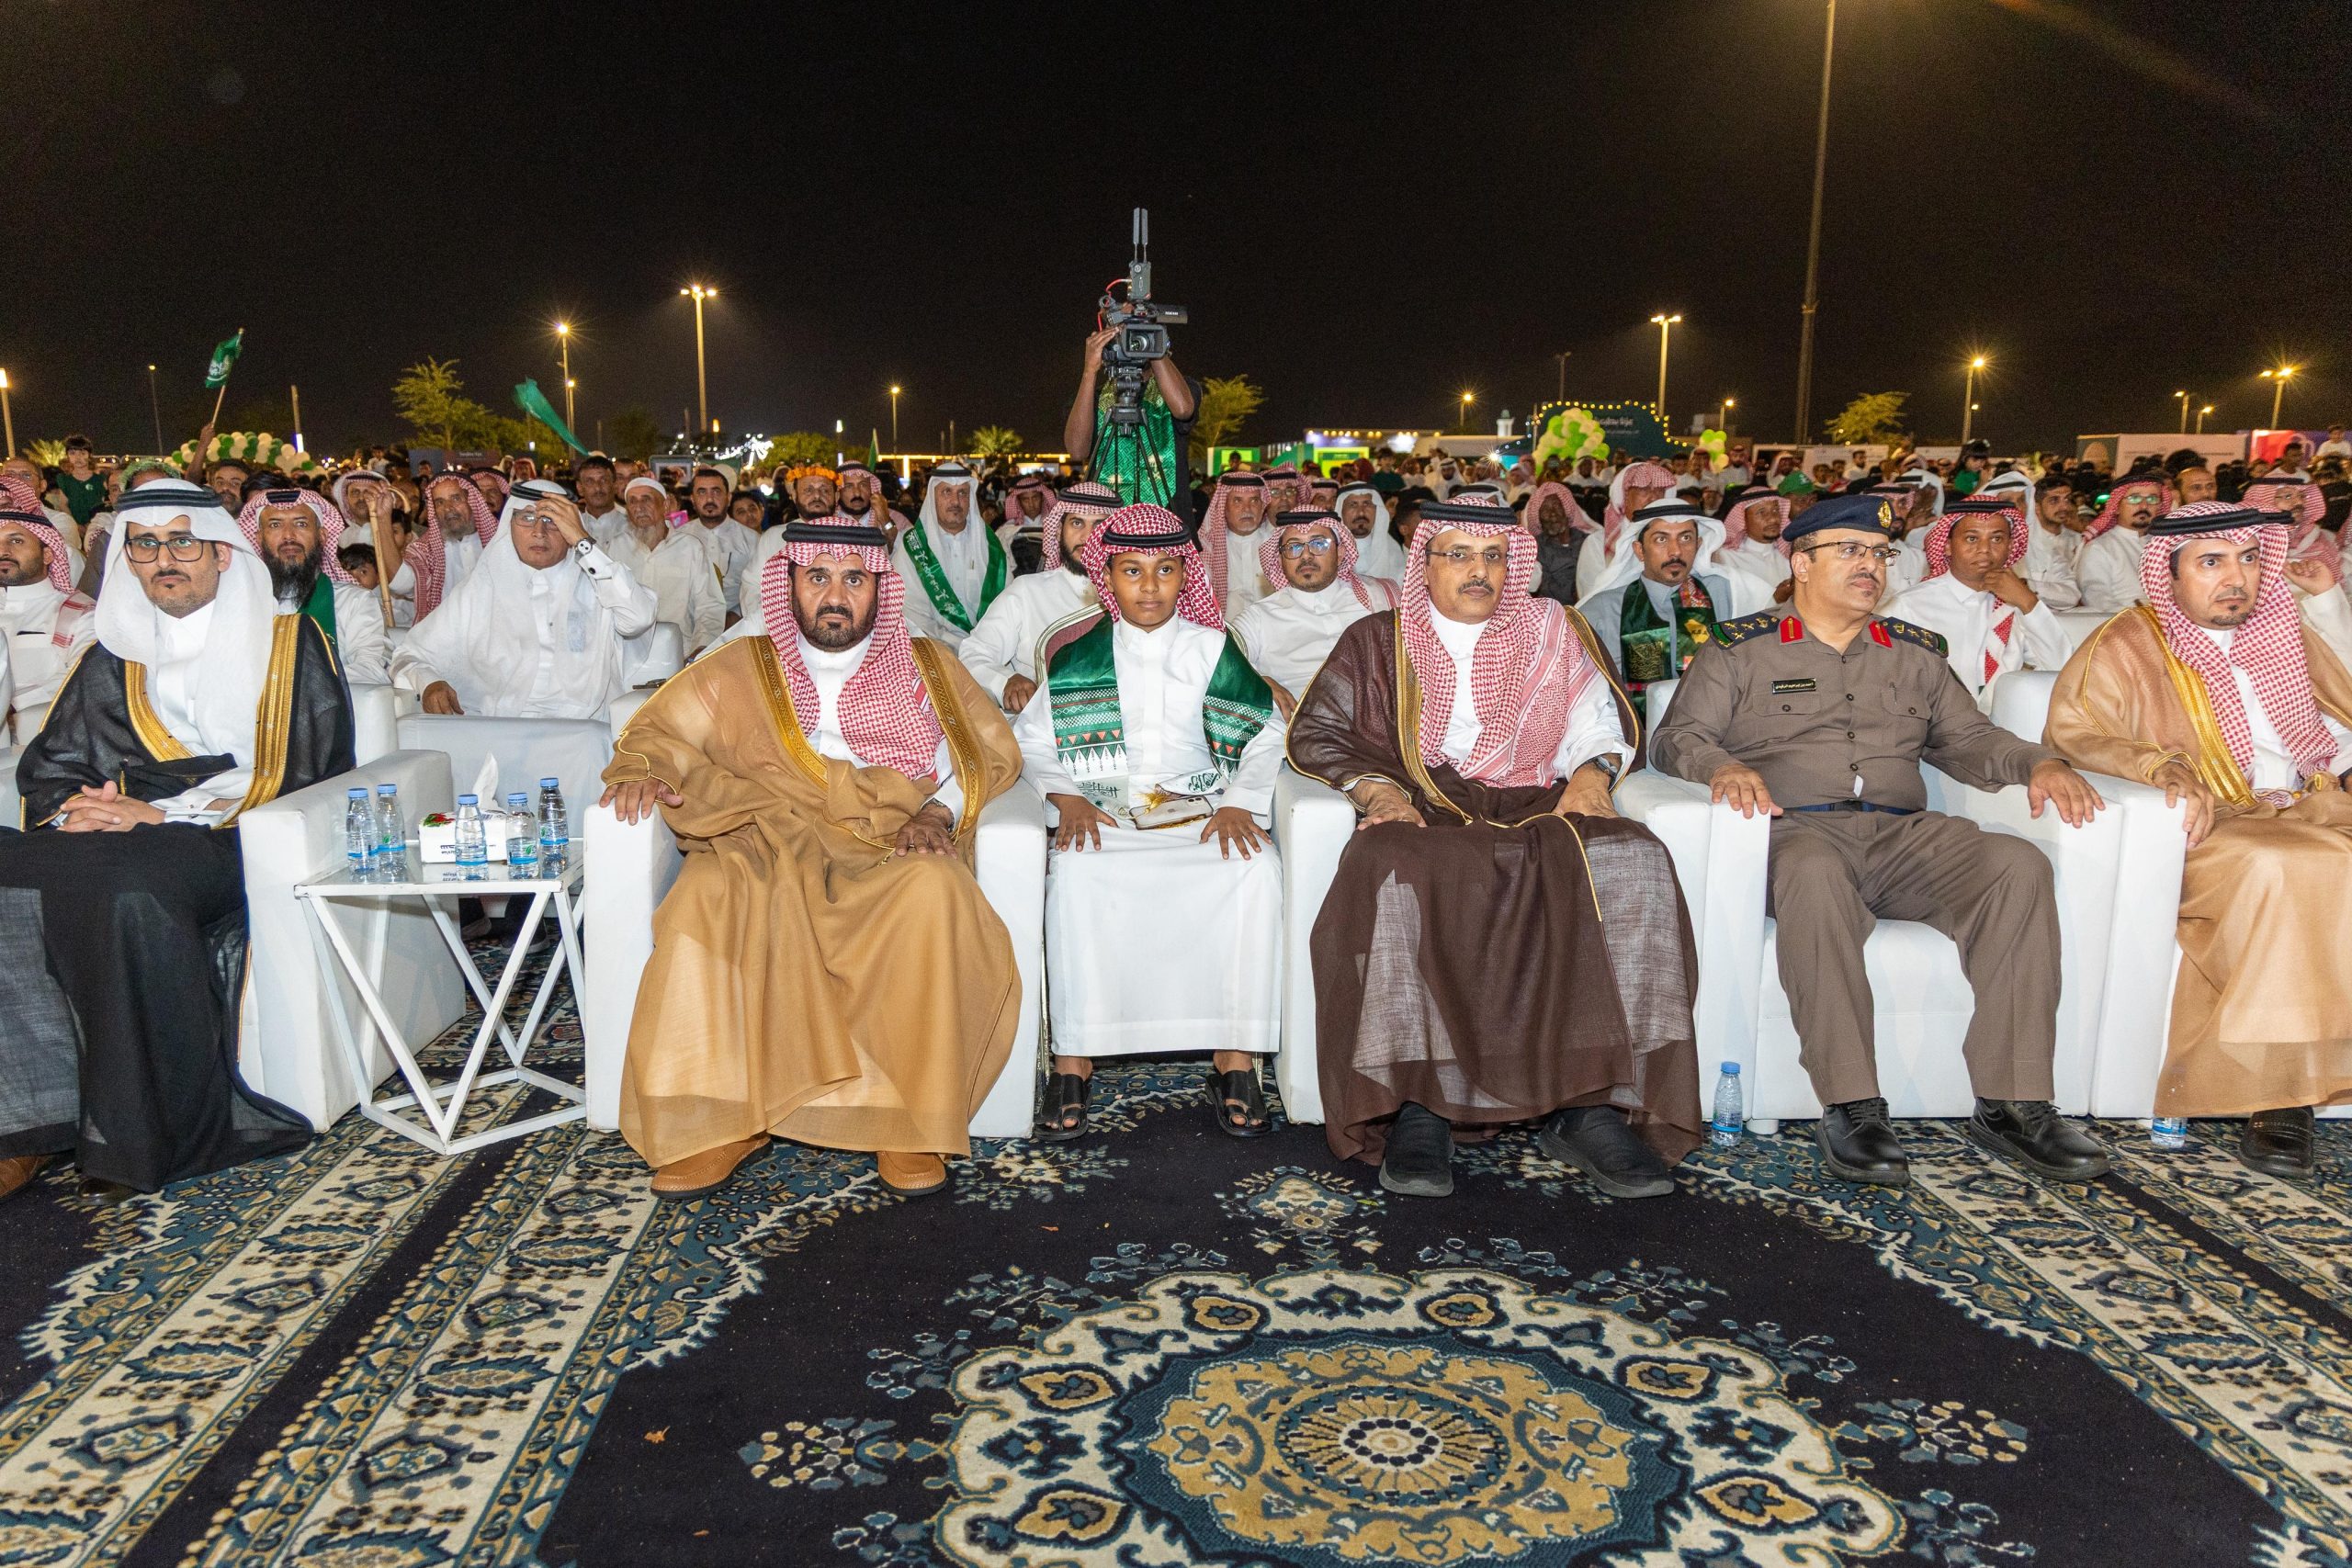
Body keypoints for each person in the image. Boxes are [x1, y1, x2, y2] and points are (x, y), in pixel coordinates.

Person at [1649, 490, 2113, 1186]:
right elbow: (1676, 737)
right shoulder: (1741, 649)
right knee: (1813, 873)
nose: (1870, 565)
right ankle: (1853, 1106)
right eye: (1850, 551)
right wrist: (1723, 768)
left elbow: (1967, 738)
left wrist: (2038, 763)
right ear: (1801, 563)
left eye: (1878, 553)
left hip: (1902, 836)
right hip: (1794, 831)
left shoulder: (1914, 653)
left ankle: (2014, 1102)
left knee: (2014, 863)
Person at [598, 516, 1025, 1200]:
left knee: (934, 891)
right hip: (764, 834)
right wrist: (644, 768)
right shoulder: (743, 663)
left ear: (879, 587)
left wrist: (936, 813)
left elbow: (986, 751)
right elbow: (659, 729)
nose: (835, 596)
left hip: (885, 835)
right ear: (788, 582)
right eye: (817, 577)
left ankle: (906, 1118)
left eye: (854, 580)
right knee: (707, 899)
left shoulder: (927, 665)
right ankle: (725, 1119)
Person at [1286, 494, 1701, 1196]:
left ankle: (1588, 1101)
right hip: (1425, 801)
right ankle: (1419, 1103)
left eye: (1494, 556)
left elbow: (1595, 719)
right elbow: (1324, 731)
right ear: (1426, 563)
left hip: (1538, 798)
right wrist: (1378, 793)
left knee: (1634, 856)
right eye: (1459, 555)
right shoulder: (1379, 638)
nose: (1479, 571)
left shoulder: (1552, 627)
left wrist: (1593, 776)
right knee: (1388, 859)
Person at [0, 480, 352, 1199]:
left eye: (184, 542)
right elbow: (53, 765)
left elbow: (313, 769)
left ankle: (140, 1133)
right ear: (127, 559)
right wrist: (81, 808)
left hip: (232, 836)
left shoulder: (291, 645)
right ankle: (31, 1124)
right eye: (146, 545)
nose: (165, 559)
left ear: (222, 553)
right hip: (118, 833)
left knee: (130, 885)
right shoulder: (112, 656)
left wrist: (165, 816)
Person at [2043, 502, 2352, 1178]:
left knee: (2316, 853)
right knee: (2288, 865)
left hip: (2315, 805)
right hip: (2220, 826)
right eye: (2211, 562)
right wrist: (2158, 765)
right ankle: (2281, 1094)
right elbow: (2074, 730)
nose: (2235, 578)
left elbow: (2338, 720)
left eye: (2248, 559)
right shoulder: (2129, 642)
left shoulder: (2287, 628)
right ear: (2170, 573)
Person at [1011, 502, 1283, 1141]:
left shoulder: (1212, 649)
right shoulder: (1080, 658)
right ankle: (1074, 1059)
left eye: (1165, 569)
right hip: (1104, 813)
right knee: (1076, 874)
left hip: (1201, 812)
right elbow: (1031, 740)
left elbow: (1268, 734)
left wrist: (1241, 801)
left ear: (1186, 574)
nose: (1151, 585)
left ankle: (1235, 1058)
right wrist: (1065, 797)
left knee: (1255, 870)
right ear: (1108, 576)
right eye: (1132, 570)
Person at [390, 480, 657, 717]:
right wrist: (429, 682)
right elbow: (408, 654)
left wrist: (583, 542)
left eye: (552, 520)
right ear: (509, 526)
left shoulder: (599, 583)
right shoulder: (480, 590)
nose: (539, 531)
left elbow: (639, 618)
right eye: (527, 518)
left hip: (583, 728)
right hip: (501, 728)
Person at [1884, 495, 2074, 699]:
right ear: (1947, 546)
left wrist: (2029, 603)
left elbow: (2063, 669)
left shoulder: (2016, 605)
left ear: (2010, 546)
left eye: (1997, 539)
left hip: (2002, 717)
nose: (1984, 549)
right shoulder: (1908, 606)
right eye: (1972, 538)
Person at [957, 481, 1118, 713]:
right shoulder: (1026, 592)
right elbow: (973, 653)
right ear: (1059, 530)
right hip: (1038, 722)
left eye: (1099, 525)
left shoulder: (1132, 596)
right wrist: (1005, 680)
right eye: (1077, 523)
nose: (1087, 536)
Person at [1230, 508, 1396, 711]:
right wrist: (1258, 680)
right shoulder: (1258, 617)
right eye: (1293, 547)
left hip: (1378, 716)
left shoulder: (1379, 598)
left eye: (1319, 544)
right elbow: (1222, 662)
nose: (1306, 555)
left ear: (1340, 552)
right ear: (1280, 559)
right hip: (1296, 723)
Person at [1577, 498, 1736, 707]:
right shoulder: (1600, 611)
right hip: (1629, 726)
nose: (1676, 551)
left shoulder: (1729, 594)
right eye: (1661, 539)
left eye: (1686, 538)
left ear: (1698, 545)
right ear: (1639, 550)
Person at [234, 487, 391, 685]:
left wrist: (294, 686)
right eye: (275, 525)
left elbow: (374, 668)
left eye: (301, 524)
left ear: (322, 536)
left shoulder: (354, 602)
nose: (289, 536)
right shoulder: (240, 604)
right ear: (259, 538)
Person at [1061, 323, 1199, 519]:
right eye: (1123, 332)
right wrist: (1089, 371)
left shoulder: (1181, 390)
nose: (1132, 341)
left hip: (1168, 523)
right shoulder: (1094, 399)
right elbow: (1077, 451)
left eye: (1138, 332)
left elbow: (1183, 410)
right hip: (1108, 522)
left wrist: (1153, 344)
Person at [0, 480, 96, 727]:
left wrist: (9, 704)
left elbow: (84, 675)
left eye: (16, 541)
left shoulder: (79, 612)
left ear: (47, 554)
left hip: (42, 738)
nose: (3, 551)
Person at [892, 460, 1008, 643]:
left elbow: (1007, 603)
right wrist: (952, 644)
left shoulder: (990, 545)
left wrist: (984, 647)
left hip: (988, 647)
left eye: (962, 493)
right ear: (933, 498)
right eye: (947, 492)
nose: (955, 501)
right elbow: (911, 613)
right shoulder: (912, 548)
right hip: (934, 648)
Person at [608, 476, 725, 655]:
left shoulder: (690, 547)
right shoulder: (616, 547)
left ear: (665, 505)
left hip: (681, 654)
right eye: (632, 501)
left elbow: (709, 607)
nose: (639, 507)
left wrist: (701, 649)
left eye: (646, 499)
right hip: (625, 654)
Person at [1574, 459, 1677, 601]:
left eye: (1659, 491)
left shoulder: (1677, 541)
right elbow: (1591, 597)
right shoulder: (1596, 543)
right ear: (1625, 496)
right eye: (1644, 490)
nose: (1653, 498)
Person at [2075, 473, 2175, 613]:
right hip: (2124, 619)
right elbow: (2096, 597)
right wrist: (2136, 617)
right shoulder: (2099, 548)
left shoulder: (2168, 545)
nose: (2144, 505)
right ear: (2116, 507)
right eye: (2134, 498)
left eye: (2152, 499)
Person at [1195, 469, 1277, 619]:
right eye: (1238, 501)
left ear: (1262, 506)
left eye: (1254, 500)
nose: (1247, 509)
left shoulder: (1277, 545)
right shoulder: (1206, 547)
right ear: (1223, 507)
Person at [682, 467, 757, 618]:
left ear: (728, 498)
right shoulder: (679, 538)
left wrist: (736, 614)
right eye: (702, 492)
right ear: (692, 500)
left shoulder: (752, 540)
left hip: (738, 624)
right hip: (688, 623)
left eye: (716, 492)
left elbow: (760, 591)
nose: (709, 499)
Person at [1715, 488, 1793, 609]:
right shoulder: (1725, 558)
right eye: (1761, 512)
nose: (1773, 519)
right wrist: (1774, 600)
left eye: (1776, 510)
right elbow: (1727, 609)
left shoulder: (1789, 555)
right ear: (1743, 519)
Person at [1334, 480, 1408, 582]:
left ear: (1377, 511)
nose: (1361, 512)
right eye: (1353, 505)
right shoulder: (1331, 550)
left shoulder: (1391, 549)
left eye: (1367, 504)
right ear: (1341, 512)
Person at [574, 454, 629, 544]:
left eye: (604, 480)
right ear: (579, 488)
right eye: (590, 481)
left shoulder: (632, 528)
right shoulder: (573, 527)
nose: (598, 488)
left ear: (615, 485)